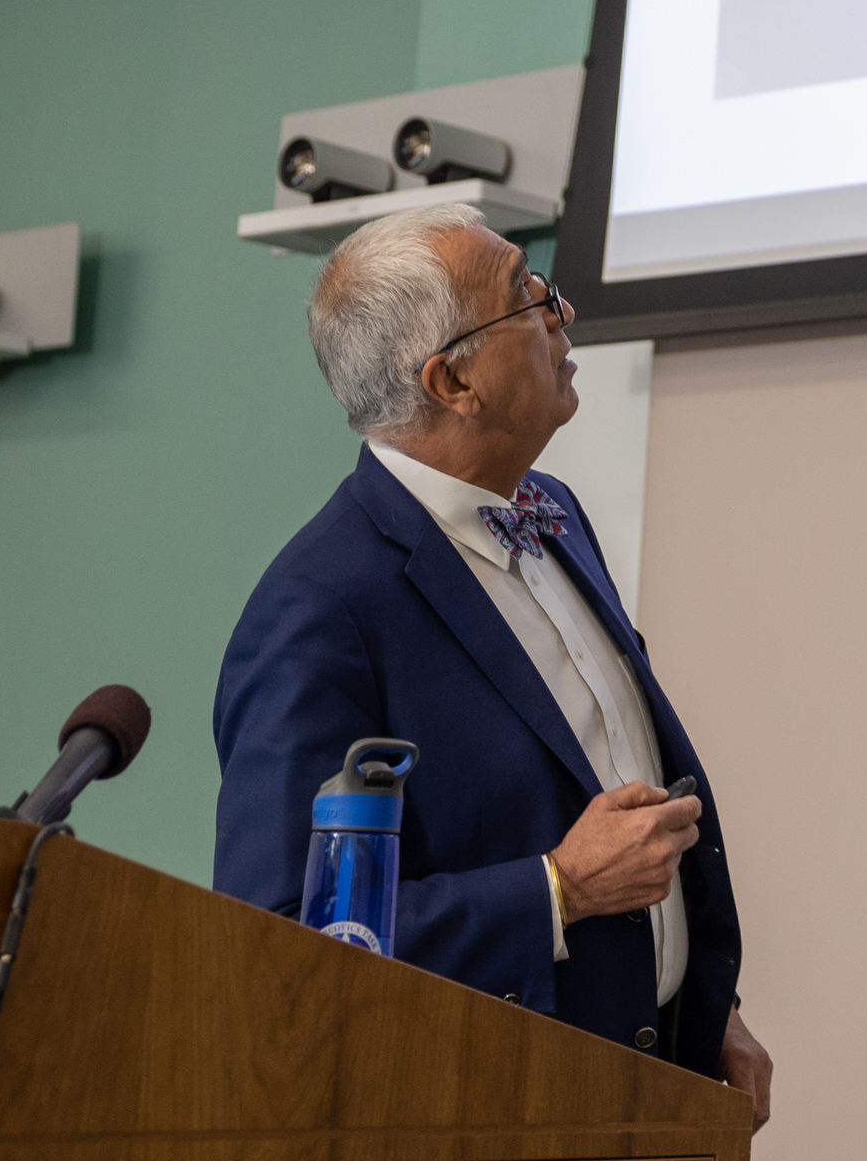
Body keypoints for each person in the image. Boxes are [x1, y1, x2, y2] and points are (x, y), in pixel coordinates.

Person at [213, 204, 771, 1126]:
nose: (562, 312)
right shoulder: (320, 607)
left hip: (655, 1087)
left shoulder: (552, 510)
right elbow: (281, 939)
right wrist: (555, 888)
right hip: (488, 1112)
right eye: (527, 295)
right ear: (453, 379)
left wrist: (705, 1011)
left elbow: (609, 766)